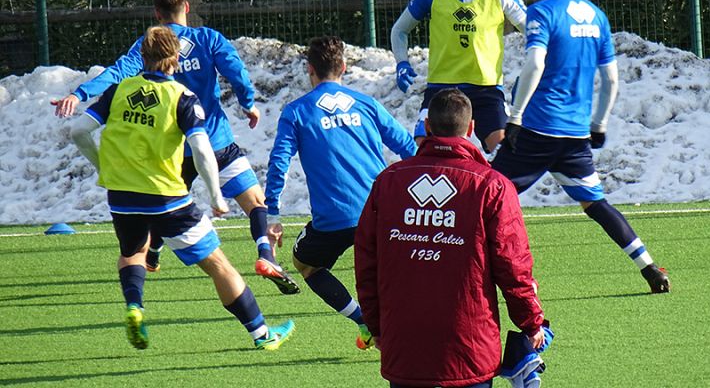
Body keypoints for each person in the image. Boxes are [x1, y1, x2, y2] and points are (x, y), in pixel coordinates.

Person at [52, 0, 299, 295]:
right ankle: (265, 255)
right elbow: (236, 71)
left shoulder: (148, 45)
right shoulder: (209, 39)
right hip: (215, 140)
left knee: (165, 208)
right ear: (186, 8)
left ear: (157, 14)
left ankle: (152, 255)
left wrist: (79, 93)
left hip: (174, 150)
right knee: (254, 202)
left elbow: (117, 72)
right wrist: (247, 103)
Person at [70, 26, 295, 350]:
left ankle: (135, 307)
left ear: (142, 58)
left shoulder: (119, 90)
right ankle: (263, 335)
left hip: (121, 198)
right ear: (175, 58)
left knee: (132, 253)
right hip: (167, 197)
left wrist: (102, 166)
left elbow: (79, 130)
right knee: (219, 265)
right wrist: (216, 197)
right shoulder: (181, 97)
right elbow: (202, 151)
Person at [492, 0, 671, 294]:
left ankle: (466, 272)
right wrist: (599, 124)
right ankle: (649, 267)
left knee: (488, 195)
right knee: (595, 203)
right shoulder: (596, 16)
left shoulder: (542, 13)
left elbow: (536, 63)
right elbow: (611, 78)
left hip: (538, 130)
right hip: (575, 135)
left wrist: (515, 117)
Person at [354, 88, 550, 388]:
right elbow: (513, 267)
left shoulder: (389, 182)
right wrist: (531, 322)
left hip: (405, 345)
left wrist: (377, 326)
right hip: (469, 346)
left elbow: (366, 262)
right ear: (471, 129)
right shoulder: (492, 187)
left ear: (428, 126)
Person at [265, 36, 417, 350]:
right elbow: (408, 148)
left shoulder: (296, 111)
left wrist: (273, 213)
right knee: (391, 272)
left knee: (307, 265)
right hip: (380, 211)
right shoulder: (367, 104)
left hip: (333, 219)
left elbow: (279, 160)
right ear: (344, 67)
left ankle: (363, 321)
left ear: (310, 70)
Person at [390, 0, 527, 153]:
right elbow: (399, 30)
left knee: (507, 153)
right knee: (422, 150)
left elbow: (536, 34)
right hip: (441, 91)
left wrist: (534, 71)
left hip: (486, 91)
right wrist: (401, 63)